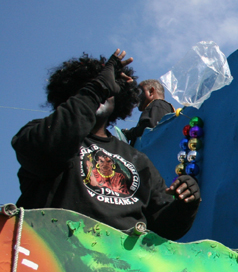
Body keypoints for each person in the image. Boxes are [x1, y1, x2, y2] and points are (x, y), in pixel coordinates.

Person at [12, 50, 200, 240]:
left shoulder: (137, 159)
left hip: (121, 258)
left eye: (109, 89)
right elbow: (47, 148)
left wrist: (187, 203)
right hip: (52, 251)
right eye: (92, 87)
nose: (102, 92)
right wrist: (99, 85)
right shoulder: (43, 132)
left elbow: (163, 227)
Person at [122, 79, 174, 146]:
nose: (136, 97)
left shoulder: (158, 104)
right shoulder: (160, 106)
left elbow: (151, 128)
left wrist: (129, 133)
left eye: (139, 92)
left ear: (151, 91)